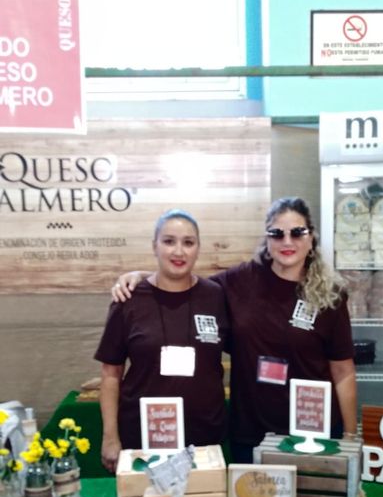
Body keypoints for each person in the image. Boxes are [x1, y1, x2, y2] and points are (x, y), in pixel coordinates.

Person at [112, 197, 357, 462]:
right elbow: (183, 284)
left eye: (297, 233)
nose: (287, 242)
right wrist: (141, 277)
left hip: (314, 432)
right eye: (277, 233)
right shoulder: (238, 281)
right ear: (267, 238)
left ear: (311, 238)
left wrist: (350, 435)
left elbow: (343, 371)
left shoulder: (330, 295)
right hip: (252, 432)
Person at [95, 209, 228, 473]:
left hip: (204, 436)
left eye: (188, 242)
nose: (179, 251)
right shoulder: (129, 299)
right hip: (143, 437)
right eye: (168, 241)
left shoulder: (216, 296)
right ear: (154, 246)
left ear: (198, 248)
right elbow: (111, 374)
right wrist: (110, 437)